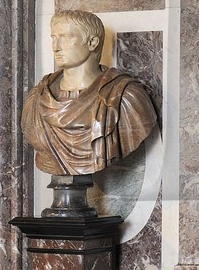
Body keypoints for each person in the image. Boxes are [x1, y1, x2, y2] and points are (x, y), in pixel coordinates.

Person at [21, 10, 156, 177]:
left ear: (92, 42)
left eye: (65, 37)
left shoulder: (126, 97)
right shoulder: (37, 98)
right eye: (53, 38)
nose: (56, 47)